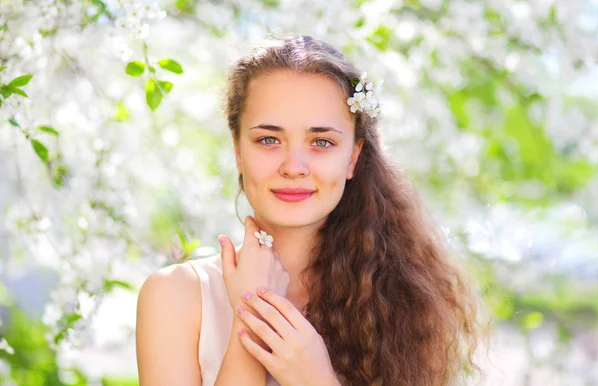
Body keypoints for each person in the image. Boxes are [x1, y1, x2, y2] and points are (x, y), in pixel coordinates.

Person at [135, 34, 484, 386]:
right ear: (238, 151)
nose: (294, 166)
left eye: (321, 142)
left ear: (353, 157)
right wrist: (252, 315)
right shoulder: (176, 296)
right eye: (269, 139)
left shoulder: (401, 303)